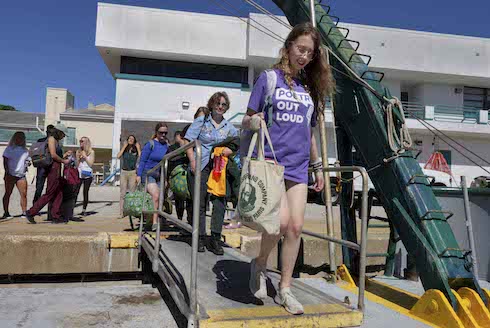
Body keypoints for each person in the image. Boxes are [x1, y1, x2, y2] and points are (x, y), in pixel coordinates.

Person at [242, 22, 333, 315]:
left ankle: (285, 288)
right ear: (288, 47)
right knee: (279, 223)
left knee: (295, 227)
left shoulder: (309, 88)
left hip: (299, 166)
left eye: (310, 52)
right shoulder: (269, 79)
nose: (304, 56)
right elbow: (247, 118)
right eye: (300, 49)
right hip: (271, 163)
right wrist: (254, 122)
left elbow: (309, 132)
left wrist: (317, 166)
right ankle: (259, 263)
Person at [184, 92, 238, 254]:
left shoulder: (229, 127)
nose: (220, 107)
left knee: (219, 203)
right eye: (218, 104)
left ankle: (215, 238)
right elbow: (188, 141)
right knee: (199, 203)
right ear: (212, 104)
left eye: (224, 104)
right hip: (201, 165)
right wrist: (193, 161)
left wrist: (230, 150)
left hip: (219, 169)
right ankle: (199, 237)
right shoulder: (201, 121)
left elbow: (237, 143)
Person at [25, 125, 72, 224]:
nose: (64, 136)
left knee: (59, 193)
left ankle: (56, 216)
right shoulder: (52, 139)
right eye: (63, 134)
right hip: (53, 168)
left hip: (55, 167)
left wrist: (64, 156)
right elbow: (54, 155)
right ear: (59, 132)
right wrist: (64, 161)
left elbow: (53, 155)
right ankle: (31, 212)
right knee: (50, 193)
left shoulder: (55, 140)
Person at [137, 122, 169, 231]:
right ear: (156, 132)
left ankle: (156, 219)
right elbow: (142, 161)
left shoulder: (167, 145)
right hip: (149, 173)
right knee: (155, 195)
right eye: (161, 132)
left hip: (161, 175)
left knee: (160, 198)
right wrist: (138, 175)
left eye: (165, 133)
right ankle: (155, 222)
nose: (163, 135)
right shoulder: (150, 144)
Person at [2, 132, 30, 219]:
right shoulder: (9, 149)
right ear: (15, 138)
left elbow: (28, 161)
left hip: (21, 175)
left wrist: (28, 163)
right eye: (18, 138)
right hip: (10, 174)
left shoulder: (25, 150)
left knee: (24, 194)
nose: (20, 140)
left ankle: (24, 212)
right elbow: (5, 161)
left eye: (22, 138)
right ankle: (6, 212)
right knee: (8, 193)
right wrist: (7, 172)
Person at [117, 135, 141, 218]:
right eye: (129, 139)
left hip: (132, 172)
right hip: (124, 172)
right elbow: (118, 156)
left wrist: (138, 148)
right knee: (122, 193)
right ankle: (121, 212)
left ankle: (132, 211)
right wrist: (124, 146)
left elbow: (141, 158)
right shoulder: (125, 150)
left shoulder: (135, 150)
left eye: (132, 139)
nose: (131, 140)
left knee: (132, 192)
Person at [33, 124, 54, 204]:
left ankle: (35, 206)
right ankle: (49, 207)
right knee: (49, 188)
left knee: (39, 188)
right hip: (50, 166)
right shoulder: (54, 142)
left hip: (41, 165)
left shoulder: (40, 140)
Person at [75, 137, 95, 216]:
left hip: (87, 173)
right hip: (79, 173)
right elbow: (77, 164)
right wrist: (79, 158)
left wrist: (85, 157)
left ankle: (84, 210)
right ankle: (71, 209)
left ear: (86, 142)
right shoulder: (78, 151)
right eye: (80, 141)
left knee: (85, 192)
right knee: (75, 191)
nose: (80, 143)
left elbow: (90, 164)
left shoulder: (91, 152)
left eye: (82, 141)